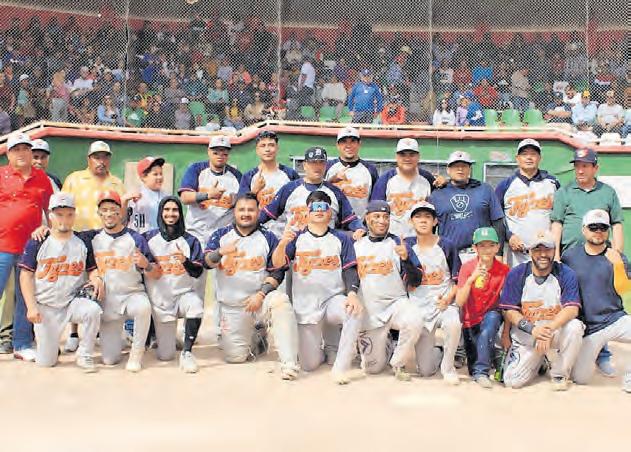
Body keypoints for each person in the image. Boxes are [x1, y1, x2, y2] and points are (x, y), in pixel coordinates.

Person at [204, 193, 300, 379]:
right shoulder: (221, 235)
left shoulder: (268, 237)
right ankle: (258, 337)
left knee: (280, 301)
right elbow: (206, 263)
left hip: (259, 300)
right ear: (234, 211)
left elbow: (277, 272)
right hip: (232, 306)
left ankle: (289, 363)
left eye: (251, 210)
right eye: (241, 210)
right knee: (235, 358)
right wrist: (220, 252)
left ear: (258, 211)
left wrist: (261, 295)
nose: (246, 214)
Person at [271, 190, 363, 384]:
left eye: (324, 207)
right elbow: (278, 264)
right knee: (309, 364)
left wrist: (352, 294)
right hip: (306, 306)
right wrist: (282, 244)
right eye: (315, 207)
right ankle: (326, 347)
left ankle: (340, 367)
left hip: (332, 301)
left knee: (353, 311)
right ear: (307, 212)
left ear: (330, 212)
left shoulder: (342, 238)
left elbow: (350, 270)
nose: (319, 211)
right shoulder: (296, 238)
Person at [18, 192, 103, 371]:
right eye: (59, 214)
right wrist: (31, 307)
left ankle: (84, 354)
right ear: (50, 215)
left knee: (93, 310)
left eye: (69, 214)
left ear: (74, 215)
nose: (64, 219)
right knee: (46, 362)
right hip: (46, 307)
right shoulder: (38, 241)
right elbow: (25, 275)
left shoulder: (82, 242)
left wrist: (96, 278)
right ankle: (50, 347)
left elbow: (92, 269)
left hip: (71, 303)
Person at [83, 190, 160, 372]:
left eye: (113, 209)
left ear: (121, 212)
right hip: (107, 302)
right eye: (104, 210)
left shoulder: (135, 238)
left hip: (131, 295)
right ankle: (122, 337)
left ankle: (137, 354)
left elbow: (157, 273)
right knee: (109, 360)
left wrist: (146, 265)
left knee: (143, 307)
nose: (109, 214)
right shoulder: (91, 238)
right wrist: (44, 229)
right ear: (99, 213)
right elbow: (64, 234)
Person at [499, 230, 584, 391]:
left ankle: (559, 374)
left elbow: (572, 309)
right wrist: (533, 330)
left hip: (554, 331)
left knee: (575, 327)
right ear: (530, 251)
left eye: (547, 249)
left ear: (554, 250)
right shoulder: (517, 273)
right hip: (528, 334)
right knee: (512, 381)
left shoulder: (566, 273)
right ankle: (541, 360)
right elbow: (510, 311)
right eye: (538, 249)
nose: (543, 254)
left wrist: (548, 330)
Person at [355, 200, 424, 380]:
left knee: (415, 319)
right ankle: (386, 344)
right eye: (377, 216)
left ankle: (398, 362)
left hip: (395, 305)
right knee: (373, 369)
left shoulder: (398, 243)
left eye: (386, 217)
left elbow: (417, 280)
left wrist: (406, 259)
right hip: (370, 311)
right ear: (367, 218)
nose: (382, 221)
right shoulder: (356, 244)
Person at [564, 210, 631, 393]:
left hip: (615, 319)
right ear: (584, 229)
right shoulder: (570, 256)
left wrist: (618, 264)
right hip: (590, 328)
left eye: (603, 227)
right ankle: (593, 358)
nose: (598, 231)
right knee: (580, 378)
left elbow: (625, 290)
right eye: (593, 227)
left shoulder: (617, 256)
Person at [0, 133, 53, 358]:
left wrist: (50, 232)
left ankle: (22, 345)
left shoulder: (42, 178)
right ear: (8, 154)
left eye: (25, 149)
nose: (21, 153)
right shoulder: (0, 175)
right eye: (16, 150)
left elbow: (50, 210)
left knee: (25, 296)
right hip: (2, 246)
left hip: (29, 248)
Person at [143, 197, 205, 373]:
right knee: (166, 355)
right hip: (161, 302)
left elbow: (197, 272)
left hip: (183, 296)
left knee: (196, 306)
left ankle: (187, 353)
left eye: (175, 210)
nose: (171, 214)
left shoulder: (190, 240)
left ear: (180, 213)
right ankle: (164, 336)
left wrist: (185, 261)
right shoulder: (148, 238)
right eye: (167, 209)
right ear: (160, 212)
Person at [406, 201, 462, 385]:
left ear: (435, 221)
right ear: (411, 221)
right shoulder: (406, 246)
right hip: (419, 308)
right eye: (418, 217)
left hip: (443, 304)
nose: (423, 221)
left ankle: (448, 368)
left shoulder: (447, 245)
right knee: (426, 371)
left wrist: (448, 299)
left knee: (453, 323)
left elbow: (458, 280)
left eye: (427, 217)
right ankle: (438, 351)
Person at [259, 146, 364, 235]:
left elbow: (350, 219)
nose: (317, 166)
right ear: (305, 165)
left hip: (325, 245)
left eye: (321, 162)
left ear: (325, 165)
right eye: (313, 162)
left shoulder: (335, 192)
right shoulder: (289, 189)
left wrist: (359, 228)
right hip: (295, 247)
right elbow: (267, 214)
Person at [455, 227, 509, 388]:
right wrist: (471, 279)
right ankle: (493, 356)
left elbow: (508, 305)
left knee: (490, 323)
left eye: (491, 245)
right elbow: (459, 301)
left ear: (498, 247)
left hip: (491, 314)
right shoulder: (467, 267)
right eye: (482, 245)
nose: (487, 249)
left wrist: (506, 332)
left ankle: (482, 372)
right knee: (472, 365)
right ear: (475, 248)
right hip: (470, 320)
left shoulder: (504, 270)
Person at [429, 150, 504, 263]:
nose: (460, 169)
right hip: (449, 255)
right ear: (448, 170)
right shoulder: (437, 194)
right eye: (456, 166)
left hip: (481, 254)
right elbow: (431, 229)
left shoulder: (484, 189)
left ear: (470, 169)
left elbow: (498, 223)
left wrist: (499, 254)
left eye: (464, 166)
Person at [495, 139, 560, 267]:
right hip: (517, 253)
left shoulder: (552, 183)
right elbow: (497, 218)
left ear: (539, 158)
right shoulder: (505, 185)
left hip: (545, 252)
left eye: (533, 154)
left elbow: (559, 217)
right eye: (524, 154)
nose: (529, 157)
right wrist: (509, 235)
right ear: (517, 158)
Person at [371, 138, 437, 238]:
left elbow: (437, 210)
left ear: (418, 157)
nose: (407, 158)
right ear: (396, 157)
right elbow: (374, 210)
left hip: (420, 240)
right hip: (392, 239)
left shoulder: (428, 179)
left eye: (412, 154)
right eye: (403, 155)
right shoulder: (386, 179)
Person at [238, 131, 299, 237]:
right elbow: (241, 206)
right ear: (257, 150)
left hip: (285, 234)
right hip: (256, 234)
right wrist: (254, 191)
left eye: (271, 145)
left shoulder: (290, 174)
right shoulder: (249, 176)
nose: (267, 149)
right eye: (263, 146)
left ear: (277, 148)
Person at [325, 127, 379, 219]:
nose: (348, 146)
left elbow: (375, 201)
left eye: (353, 141)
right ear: (337, 145)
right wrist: (332, 180)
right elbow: (317, 192)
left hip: (360, 224)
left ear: (359, 144)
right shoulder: (328, 167)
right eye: (344, 142)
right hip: (332, 223)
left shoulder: (370, 170)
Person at [127, 156, 168, 234]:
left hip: (161, 238)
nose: (159, 177)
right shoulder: (136, 196)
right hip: (141, 237)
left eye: (161, 174)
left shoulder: (166, 196)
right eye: (155, 174)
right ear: (143, 177)